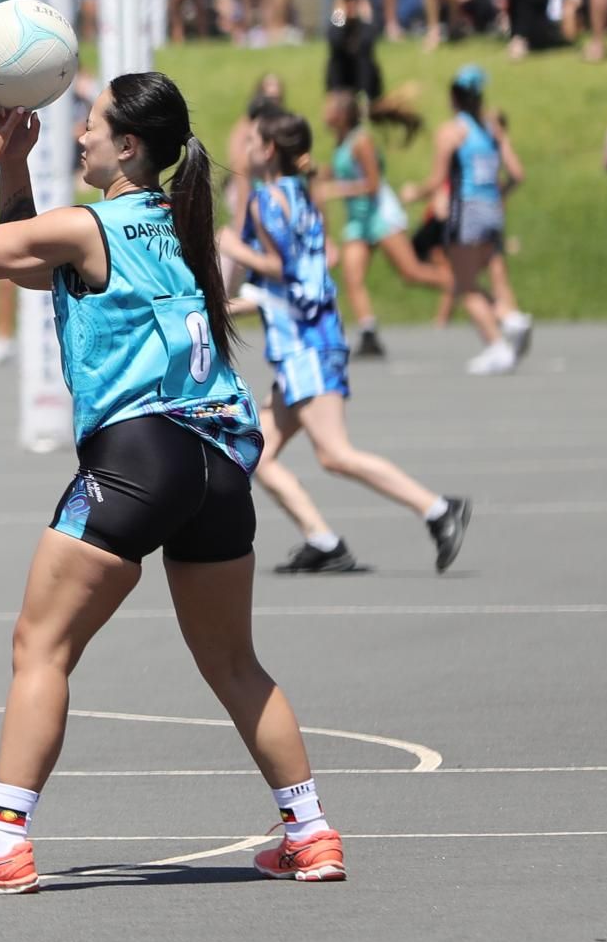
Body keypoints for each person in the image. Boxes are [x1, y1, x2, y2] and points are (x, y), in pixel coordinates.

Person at [0, 72, 353, 894]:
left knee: (40, 647)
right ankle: (310, 832)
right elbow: (32, 262)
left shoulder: (91, 226)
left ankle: (3, 841)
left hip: (139, 458)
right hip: (218, 464)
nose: (80, 135)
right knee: (234, 663)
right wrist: (18, 168)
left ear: (127, 145)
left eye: (90, 124)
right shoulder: (174, 227)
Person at [221, 109, 472, 576]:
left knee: (335, 454)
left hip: (307, 347)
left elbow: (285, 272)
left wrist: (234, 249)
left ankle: (438, 509)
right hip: (309, 341)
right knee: (253, 453)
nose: (244, 147)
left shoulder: (267, 201)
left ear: (269, 150)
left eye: (251, 140)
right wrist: (220, 307)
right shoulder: (301, 195)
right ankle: (324, 541)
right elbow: (291, 286)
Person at [314, 85, 442, 359]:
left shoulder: (362, 141)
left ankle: (459, 283)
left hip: (380, 214)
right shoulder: (342, 141)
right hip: (358, 221)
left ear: (342, 114)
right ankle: (368, 333)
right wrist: (314, 171)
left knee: (411, 273)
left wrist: (336, 190)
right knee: (352, 276)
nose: (324, 112)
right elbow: (341, 171)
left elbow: (372, 185)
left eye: (329, 107)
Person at [428, 65, 531, 375]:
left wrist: (413, 192)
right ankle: (509, 318)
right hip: (492, 209)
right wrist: (499, 194)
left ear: (454, 98)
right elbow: (517, 173)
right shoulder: (491, 128)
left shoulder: (452, 132)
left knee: (465, 285)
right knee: (489, 275)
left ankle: (498, 343)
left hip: (467, 210)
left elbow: (437, 180)